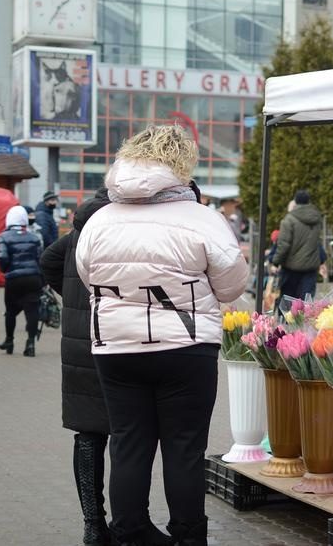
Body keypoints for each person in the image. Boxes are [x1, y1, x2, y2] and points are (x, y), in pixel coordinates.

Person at [75, 125, 249, 546]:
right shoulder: (203, 218)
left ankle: (129, 532)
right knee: (184, 448)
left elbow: (87, 276)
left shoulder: (100, 220)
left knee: (128, 444)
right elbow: (231, 286)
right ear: (181, 165)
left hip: (116, 346)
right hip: (187, 347)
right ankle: (188, 536)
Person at [40, 188, 114, 546]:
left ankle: (93, 525)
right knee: (128, 434)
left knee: (88, 434)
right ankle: (128, 520)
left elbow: (48, 261)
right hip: (116, 337)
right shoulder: (119, 226)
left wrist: (72, 299)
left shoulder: (78, 232)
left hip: (78, 342)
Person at [0, 206, 44, 356]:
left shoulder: (3, 237)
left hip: (14, 279)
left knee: (10, 311)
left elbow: (2, 257)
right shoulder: (34, 237)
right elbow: (41, 258)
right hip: (33, 278)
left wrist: (5, 269)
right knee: (32, 311)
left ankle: (9, 341)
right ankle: (30, 344)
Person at [271, 190, 324, 304]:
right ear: (308, 201)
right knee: (306, 303)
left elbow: (284, 245)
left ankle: (287, 317)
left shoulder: (289, 220)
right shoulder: (317, 218)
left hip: (291, 268)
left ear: (295, 202)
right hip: (310, 268)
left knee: (287, 303)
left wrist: (275, 262)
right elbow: (317, 242)